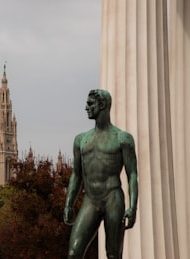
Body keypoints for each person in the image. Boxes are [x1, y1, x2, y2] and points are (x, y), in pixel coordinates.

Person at [64, 89, 138, 259]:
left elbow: (132, 174)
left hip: (113, 198)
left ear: (102, 105)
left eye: (90, 104)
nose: (85, 108)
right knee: (73, 253)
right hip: (90, 200)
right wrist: (69, 203)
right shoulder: (81, 140)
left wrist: (133, 207)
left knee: (113, 254)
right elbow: (76, 175)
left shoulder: (122, 138)